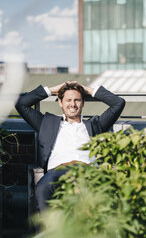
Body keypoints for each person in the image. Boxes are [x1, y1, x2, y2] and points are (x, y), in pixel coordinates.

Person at [15, 81, 125, 211]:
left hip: (88, 171)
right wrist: (51, 89)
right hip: (57, 171)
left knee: (102, 190)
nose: (72, 104)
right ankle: (49, 229)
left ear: (83, 102)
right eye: (68, 100)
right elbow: (21, 104)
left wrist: (87, 90)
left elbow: (118, 103)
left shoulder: (95, 125)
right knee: (43, 187)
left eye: (77, 100)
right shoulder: (47, 123)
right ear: (60, 102)